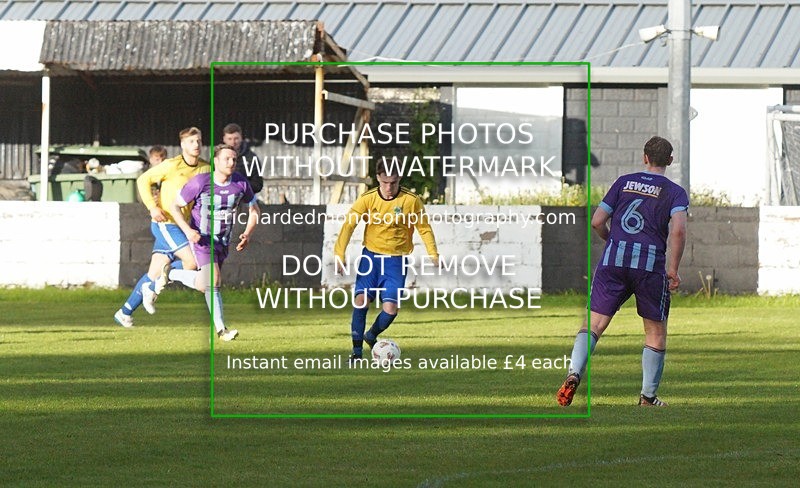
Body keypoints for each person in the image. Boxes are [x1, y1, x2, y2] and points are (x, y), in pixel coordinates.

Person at [557, 136, 688, 407]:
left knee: (593, 325)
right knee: (654, 331)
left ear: (644, 157)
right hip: (649, 266)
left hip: (613, 262)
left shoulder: (623, 182)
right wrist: (673, 269)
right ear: (670, 161)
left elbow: (597, 222)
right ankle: (647, 397)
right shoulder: (675, 192)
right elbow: (678, 230)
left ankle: (573, 373)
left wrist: (611, 239)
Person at [147, 144, 259, 341]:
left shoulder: (241, 183)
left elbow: (254, 209)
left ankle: (170, 272)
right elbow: (174, 206)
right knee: (214, 280)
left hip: (222, 242)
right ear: (215, 162)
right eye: (227, 159)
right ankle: (222, 330)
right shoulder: (201, 182)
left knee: (204, 285)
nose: (231, 163)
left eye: (234, 159)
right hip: (202, 239)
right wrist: (188, 230)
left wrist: (248, 233)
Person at [334, 160, 439, 362]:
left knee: (390, 309)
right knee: (361, 302)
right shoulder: (368, 198)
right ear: (378, 179)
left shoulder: (411, 201)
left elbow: (424, 228)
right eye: (384, 182)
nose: (389, 188)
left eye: (393, 182)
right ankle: (356, 354)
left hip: (395, 261)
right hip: (370, 258)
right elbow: (349, 225)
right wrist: (340, 254)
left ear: (399, 179)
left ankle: (371, 335)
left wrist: (433, 254)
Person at [113, 127, 210, 328]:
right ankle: (159, 281)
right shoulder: (171, 165)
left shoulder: (205, 168)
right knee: (191, 262)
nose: (196, 145)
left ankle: (125, 312)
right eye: (192, 141)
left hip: (183, 226)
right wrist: (152, 207)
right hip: (166, 223)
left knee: (153, 273)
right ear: (183, 145)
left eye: (199, 141)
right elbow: (143, 180)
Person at [222, 123, 263, 194]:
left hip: (244, 198)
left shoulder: (251, 158)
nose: (233, 142)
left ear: (241, 138)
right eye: (229, 139)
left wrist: (238, 186)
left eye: (236, 138)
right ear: (224, 139)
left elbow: (258, 184)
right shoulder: (216, 158)